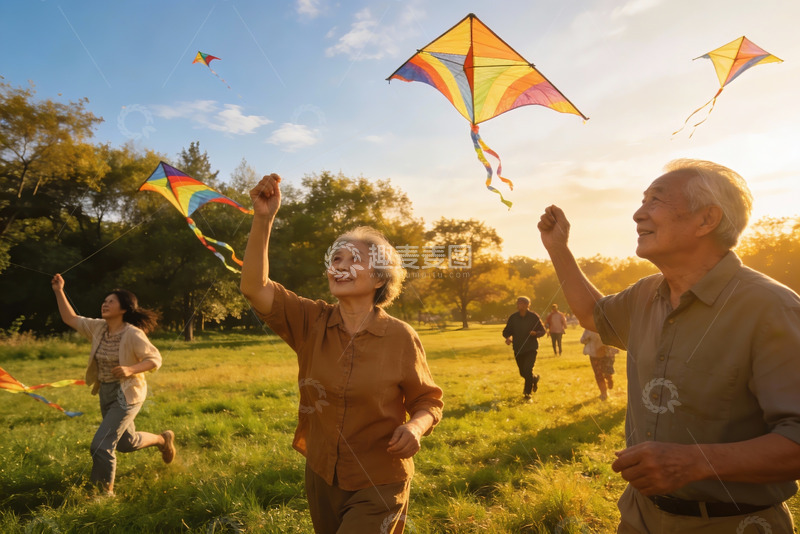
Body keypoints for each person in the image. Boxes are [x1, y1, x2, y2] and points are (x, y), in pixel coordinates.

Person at [538, 159, 800, 533]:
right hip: (639, 516)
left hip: (735, 523)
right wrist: (558, 248)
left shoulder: (771, 308)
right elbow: (597, 316)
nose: (637, 213)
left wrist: (696, 462)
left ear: (706, 220)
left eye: (655, 201)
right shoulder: (646, 293)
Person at [240, 173, 443, 534]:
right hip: (321, 474)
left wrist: (416, 425)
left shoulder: (400, 337)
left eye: (354, 259)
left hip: (380, 480)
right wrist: (263, 218)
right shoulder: (310, 320)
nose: (340, 265)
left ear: (379, 279)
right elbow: (254, 287)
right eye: (336, 258)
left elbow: (428, 400)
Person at [51, 274, 175, 496]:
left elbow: (155, 359)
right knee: (126, 443)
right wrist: (59, 290)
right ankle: (162, 439)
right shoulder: (98, 328)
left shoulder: (133, 334)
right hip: (106, 390)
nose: (105, 304)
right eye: (104, 301)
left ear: (124, 309)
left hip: (127, 393)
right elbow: (70, 318)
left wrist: (130, 369)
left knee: (101, 444)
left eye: (111, 301)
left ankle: (102, 495)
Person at [502, 297, 546, 401]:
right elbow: (506, 331)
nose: (519, 305)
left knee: (527, 369)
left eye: (521, 303)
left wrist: (536, 333)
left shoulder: (533, 317)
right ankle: (534, 379)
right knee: (523, 373)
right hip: (517, 348)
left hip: (531, 348)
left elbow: (542, 331)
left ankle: (527, 393)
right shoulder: (513, 317)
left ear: (527, 305)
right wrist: (508, 338)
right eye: (518, 303)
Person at [579, 329, 618, 401]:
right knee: (607, 370)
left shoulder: (589, 327)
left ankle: (604, 393)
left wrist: (588, 340)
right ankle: (609, 379)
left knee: (598, 374)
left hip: (595, 354)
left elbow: (583, 340)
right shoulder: (607, 324)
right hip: (608, 353)